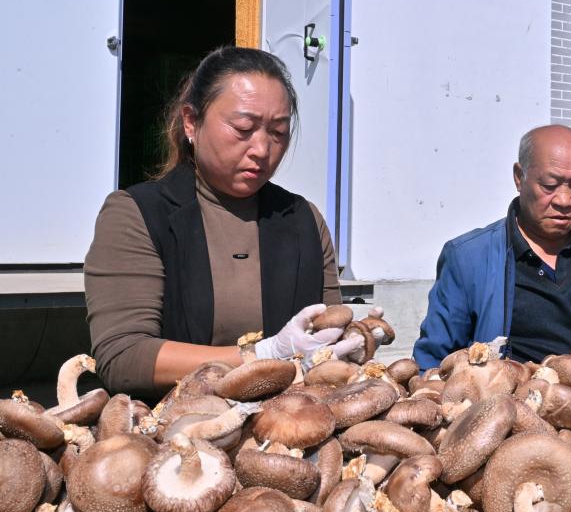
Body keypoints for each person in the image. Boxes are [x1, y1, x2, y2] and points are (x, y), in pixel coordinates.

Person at [85, 47, 371, 398]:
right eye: (243, 128)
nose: (262, 149)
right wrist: (262, 356)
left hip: (287, 420)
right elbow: (123, 357)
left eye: (278, 132)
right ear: (191, 121)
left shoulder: (303, 220)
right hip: (178, 422)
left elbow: (325, 331)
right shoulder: (137, 214)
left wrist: (354, 339)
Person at [413, 125, 571, 369]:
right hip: (505, 391)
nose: (564, 200)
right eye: (549, 185)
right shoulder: (468, 258)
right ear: (519, 177)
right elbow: (432, 362)